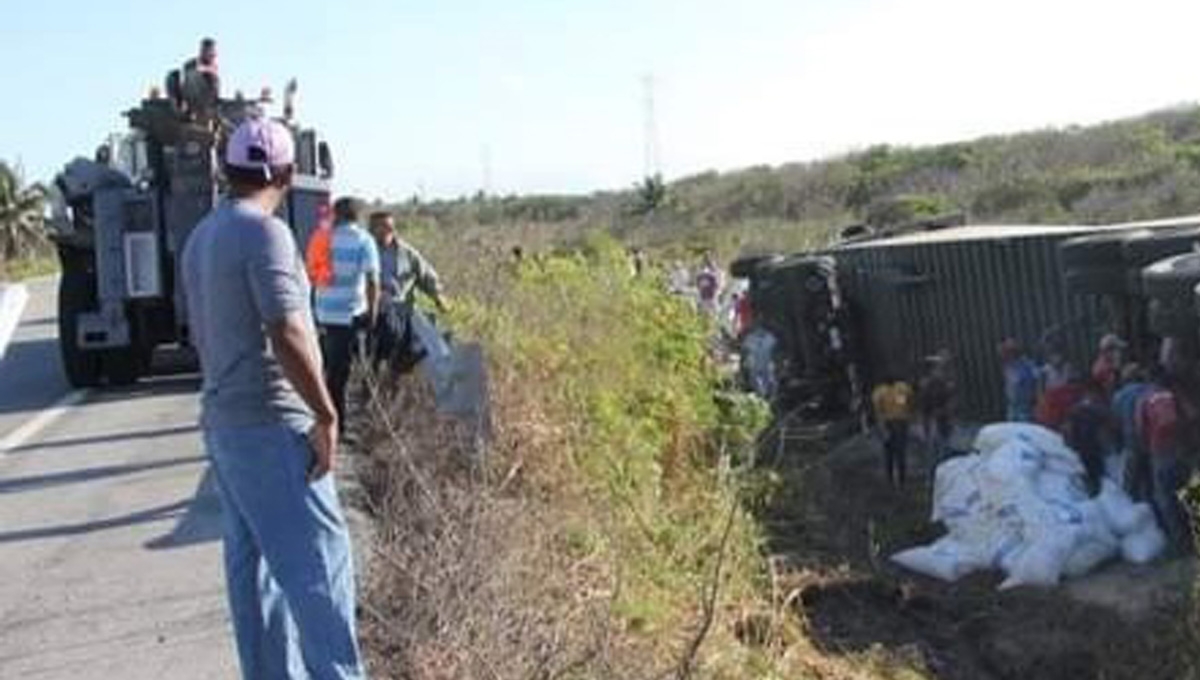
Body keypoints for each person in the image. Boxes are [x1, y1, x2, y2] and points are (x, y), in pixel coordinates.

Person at [181, 117, 367, 678]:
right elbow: (285, 330)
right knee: (319, 571)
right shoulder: (266, 234)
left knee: (256, 580)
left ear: (224, 169)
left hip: (226, 427)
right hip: (273, 425)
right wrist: (325, 413)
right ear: (287, 173)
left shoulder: (201, 237)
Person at [314, 197, 380, 433]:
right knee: (341, 374)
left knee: (329, 369)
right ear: (358, 216)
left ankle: (327, 419)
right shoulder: (364, 240)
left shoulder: (322, 239)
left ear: (337, 215)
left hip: (323, 313)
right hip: (350, 314)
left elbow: (314, 275)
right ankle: (337, 427)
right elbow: (372, 280)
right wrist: (372, 314)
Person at [367, 211, 445, 380]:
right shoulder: (365, 249)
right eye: (378, 228)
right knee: (374, 350)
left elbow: (426, 275)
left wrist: (438, 297)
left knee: (415, 344)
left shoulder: (406, 252)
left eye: (388, 228)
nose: (384, 232)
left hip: (400, 308)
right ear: (371, 229)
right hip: (374, 308)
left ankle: (394, 380)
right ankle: (371, 383)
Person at [1136, 366, 1196, 554]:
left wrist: (1146, 449)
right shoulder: (1174, 394)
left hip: (1159, 453)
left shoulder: (1144, 398)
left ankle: (1180, 544)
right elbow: (1193, 415)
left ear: (1148, 378)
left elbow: (1139, 428)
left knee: (1165, 499)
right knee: (1188, 492)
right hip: (1180, 450)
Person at [1062, 380, 1116, 497]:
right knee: (1096, 474)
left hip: (1085, 446)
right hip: (1093, 447)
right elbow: (1108, 428)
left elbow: (1069, 427)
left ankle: (1093, 496)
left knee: (1091, 472)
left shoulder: (1077, 408)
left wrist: (1070, 443)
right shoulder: (1101, 409)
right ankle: (1096, 497)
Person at [1112, 363, 1152, 499]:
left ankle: (1139, 513)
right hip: (1156, 445)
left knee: (1131, 489)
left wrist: (1117, 446)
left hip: (1132, 445)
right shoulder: (1151, 390)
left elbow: (1115, 424)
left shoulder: (1119, 396)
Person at [872, 372, 915, 487]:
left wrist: (881, 425)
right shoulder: (902, 388)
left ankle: (891, 479)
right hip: (900, 422)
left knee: (889, 452)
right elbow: (910, 400)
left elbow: (877, 410)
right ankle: (901, 478)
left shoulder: (879, 391)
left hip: (888, 423)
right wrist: (909, 414)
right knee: (900, 451)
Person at [917, 351, 956, 468]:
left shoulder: (945, 383)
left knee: (943, 449)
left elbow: (951, 401)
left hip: (942, 420)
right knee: (935, 450)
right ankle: (933, 476)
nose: (940, 370)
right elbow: (924, 405)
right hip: (933, 420)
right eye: (938, 368)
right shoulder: (928, 385)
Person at [999, 338, 1039, 422]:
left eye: (1006, 352)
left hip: (1025, 405)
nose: (1003, 355)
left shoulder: (1027, 365)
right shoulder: (1007, 366)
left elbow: (1036, 381)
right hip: (1012, 404)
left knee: (1024, 427)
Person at [1092, 333, 1127, 397]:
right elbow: (1113, 389)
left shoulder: (1109, 364)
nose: (1120, 353)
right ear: (1108, 351)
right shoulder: (1104, 367)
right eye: (1117, 350)